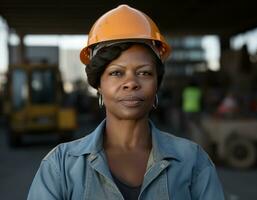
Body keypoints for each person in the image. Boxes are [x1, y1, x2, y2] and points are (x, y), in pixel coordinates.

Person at [27, 4, 224, 200]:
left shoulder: (192, 161)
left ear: (157, 83)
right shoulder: (60, 165)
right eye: (116, 73)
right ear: (99, 85)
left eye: (144, 73)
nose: (131, 83)